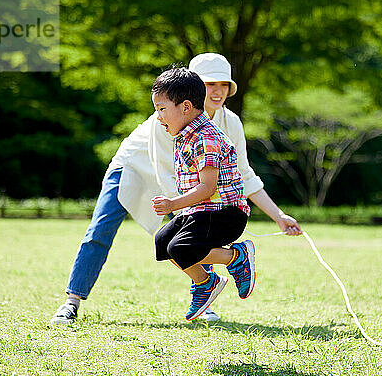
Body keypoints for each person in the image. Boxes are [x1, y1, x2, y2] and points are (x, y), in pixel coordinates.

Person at [50, 52, 301, 325]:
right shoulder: (165, 118)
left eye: (224, 85)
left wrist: (279, 216)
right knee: (100, 230)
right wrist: (183, 210)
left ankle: (205, 294)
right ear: (190, 89)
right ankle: (71, 302)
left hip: (183, 189)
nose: (217, 92)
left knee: (191, 234)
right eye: (209, 84)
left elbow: (244, 175)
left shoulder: (230, 123)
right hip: (132, 169)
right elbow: (166, 173)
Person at [151, 67, 255, 320]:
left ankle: (236, 256)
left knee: (181, 248)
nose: (158, 117)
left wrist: (172, 204)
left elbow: (208, 188)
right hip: (201, 211)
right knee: (163, 242)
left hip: (225, 213)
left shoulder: (204, 138)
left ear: (186, 107)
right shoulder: (185, 136)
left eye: (162, 109)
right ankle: (205, 283)